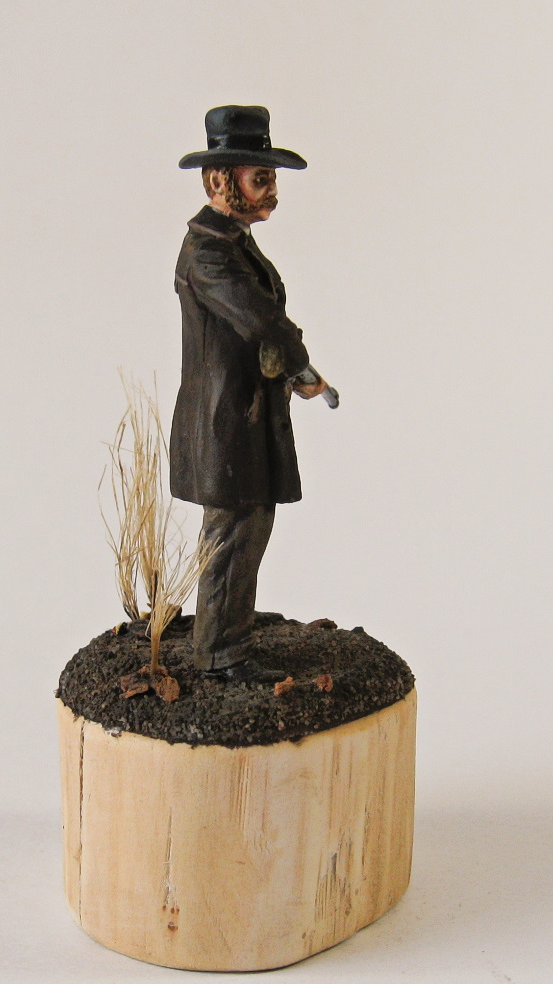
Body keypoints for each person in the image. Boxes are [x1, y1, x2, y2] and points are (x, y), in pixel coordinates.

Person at [170, 106, 327, 682]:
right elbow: (260, 318)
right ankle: (219, 655)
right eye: (261, 178)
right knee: (233, 537)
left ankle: (227, 637)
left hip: (243, 418)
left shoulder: (230, 241)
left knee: (246, 530)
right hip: (225, 423)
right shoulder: (209, 252)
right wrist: (300, 365)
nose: (272, 192)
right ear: (220, 181)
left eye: (271, 179)